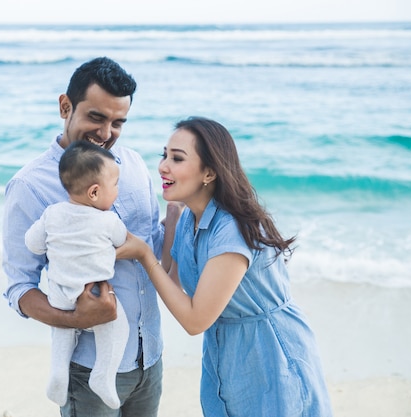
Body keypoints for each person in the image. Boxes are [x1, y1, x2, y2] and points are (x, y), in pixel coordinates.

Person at [118, 117, 333, 416]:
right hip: (226, 351)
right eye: (164, 155)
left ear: (209, 172)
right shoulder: (189, 219)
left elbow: (194, 321)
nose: (163, 166)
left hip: (270, 353)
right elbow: (168, 277)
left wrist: (143, 254)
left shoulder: (230, 229)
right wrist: (168, 223)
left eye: (177, 158)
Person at [2, 57, 175, 417]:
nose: (106, 132)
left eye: (118, 122)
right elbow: (19, 287)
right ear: (65, 106)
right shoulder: (30, 186)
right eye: (96, 117)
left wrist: (187, 210)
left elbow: (155, 249)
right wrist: (76, 320)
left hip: (150, 355)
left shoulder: (135, 165)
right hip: (86, 368)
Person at [24, 140, 128, 409]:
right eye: (115, 185)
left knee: (62, 333)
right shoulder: (108, 220)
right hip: (96, 294)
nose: (117, 191)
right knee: (117, 328)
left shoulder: (51, 214)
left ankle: (58, 373)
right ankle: (103, 375)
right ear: (94, 192)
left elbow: (32, 244)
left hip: (60, 295)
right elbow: (122, 240)